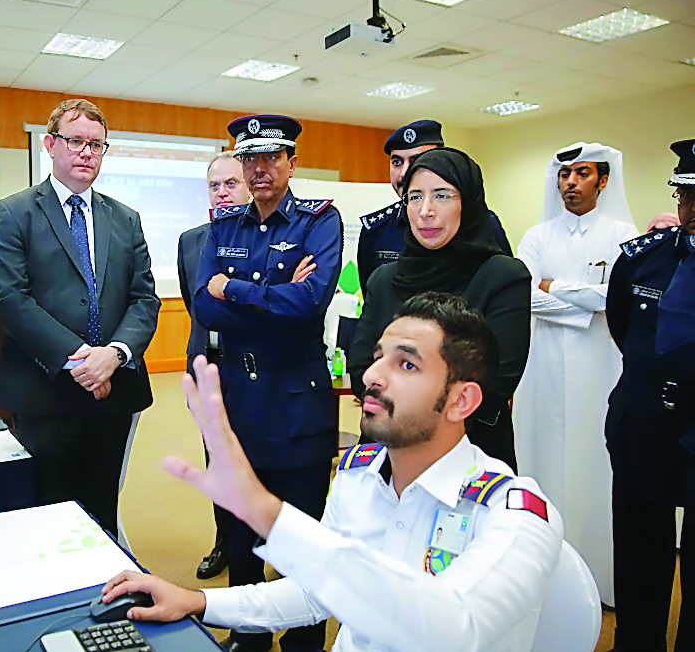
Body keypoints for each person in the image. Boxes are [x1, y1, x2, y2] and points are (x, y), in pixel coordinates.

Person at [101, 293, 563, 652]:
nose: (372, 377)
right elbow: (316, 592)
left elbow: (453, 629)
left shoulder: (515, 514)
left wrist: (263, 511)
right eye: (379, 356)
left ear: (462, 401)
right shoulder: (359, 475)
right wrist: (200, 603)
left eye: (406, 364)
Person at [191, 114, 342, 652]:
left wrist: (231, 289)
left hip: (298, 409)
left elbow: (309, 305)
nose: (259, 169)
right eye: (249, 158)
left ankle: (303, 644)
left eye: (271, 158)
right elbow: (203, 308)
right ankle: (249, 637)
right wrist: (268, 296)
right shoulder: (223, 226)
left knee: (303, 538)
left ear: (291, 163)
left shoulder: (319, 221)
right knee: (242, 534)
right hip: (241, 405)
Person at [0, 98, 159, 536]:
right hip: (45, 393)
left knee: (102, 510)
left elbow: (144, 299)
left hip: (114, 393)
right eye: (75, 141)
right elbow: (9, 297)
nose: (86, 152)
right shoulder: (15, 212)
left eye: (97, 145)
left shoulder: (126, 218)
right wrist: (82, 358)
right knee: (47, 515)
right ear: (49, 144)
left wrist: (115, 354)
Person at [348, 147, 530, 471]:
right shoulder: (384, 279)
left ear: (469, 203)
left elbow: (496, 381)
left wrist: (402, 405)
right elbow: (362, 366)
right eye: (415, 197)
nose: (425, 211)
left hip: (470, 455)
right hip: (386, 454)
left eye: (442, 196)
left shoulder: (503, 276)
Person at [514, 142, 638, 606]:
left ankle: (598, 580)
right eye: (564, 174)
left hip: (600, 371)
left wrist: (555, 287)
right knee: (541, 462)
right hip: (541, 369)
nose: (570, 182)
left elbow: (617, 299)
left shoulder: (624, 235)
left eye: (581, 173)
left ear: (602, 180)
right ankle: (541, 581)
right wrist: (586, 302)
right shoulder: (537, 235)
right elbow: (524, 295)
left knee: (596, 466)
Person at [605, 139, 695, 652]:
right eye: (685, 194)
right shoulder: (643, 259)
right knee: (641, 556)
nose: (691, 209)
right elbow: (623, 327)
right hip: (644, 426)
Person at [178, 150, 250, 581]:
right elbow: (194, 303)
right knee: (216, 458)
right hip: (207, 366)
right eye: (214, 186)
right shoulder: (190, 240)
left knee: (257, 457)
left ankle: (259, 541)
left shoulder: (267, 236)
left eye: (231, 184)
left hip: (255, 368)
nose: (222, 193)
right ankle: (225, 540)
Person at [356, 120, 511, 293]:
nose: (404, 173)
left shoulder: (482, 224)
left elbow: (503, 289)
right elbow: (373, 299)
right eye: (397, 162)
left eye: (416, 161)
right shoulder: (376, 229)